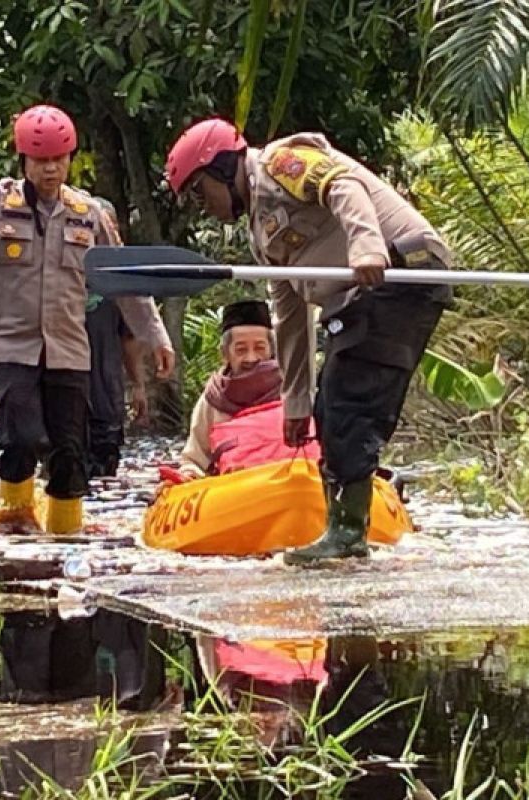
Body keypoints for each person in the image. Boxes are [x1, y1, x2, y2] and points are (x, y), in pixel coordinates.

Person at [164, 120, 453, 564]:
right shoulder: (262, 236)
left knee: (349, 404)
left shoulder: (279, 162)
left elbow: (344, 186)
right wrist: (295, 401)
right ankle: (342, 528)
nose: (205, 207)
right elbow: (289, 316)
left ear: (222, 168)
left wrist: (366, 247)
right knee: (329, 407)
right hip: (362, 299)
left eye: (202, 192)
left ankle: (348, 535)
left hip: (400, 271)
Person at [0, 103, 176, 534]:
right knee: (21, 439)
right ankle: (13, 526)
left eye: (58, 159)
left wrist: (155, 336)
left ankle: (64, 541)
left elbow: (123, 279)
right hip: (11, 346)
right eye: (41, 161)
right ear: (24, 160)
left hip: (68, 350)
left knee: (69, 453)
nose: (50, 169)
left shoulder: (88, 214)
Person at [174, 299, 317, 480]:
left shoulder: (295, 392)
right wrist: (189, 474)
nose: (251, 358)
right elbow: (194, 460)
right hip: (237, 492)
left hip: (293, 482)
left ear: (273, 351)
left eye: (259, 348)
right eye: (241, 350)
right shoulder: (213, 400)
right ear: (225, 354)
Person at [84, 197, 157, 478]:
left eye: (109, 227)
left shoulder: (121, 282)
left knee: (105, 468)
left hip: (107, 391)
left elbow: (129, 340)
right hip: (63, 389)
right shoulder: (60, 273)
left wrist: (138, 386)